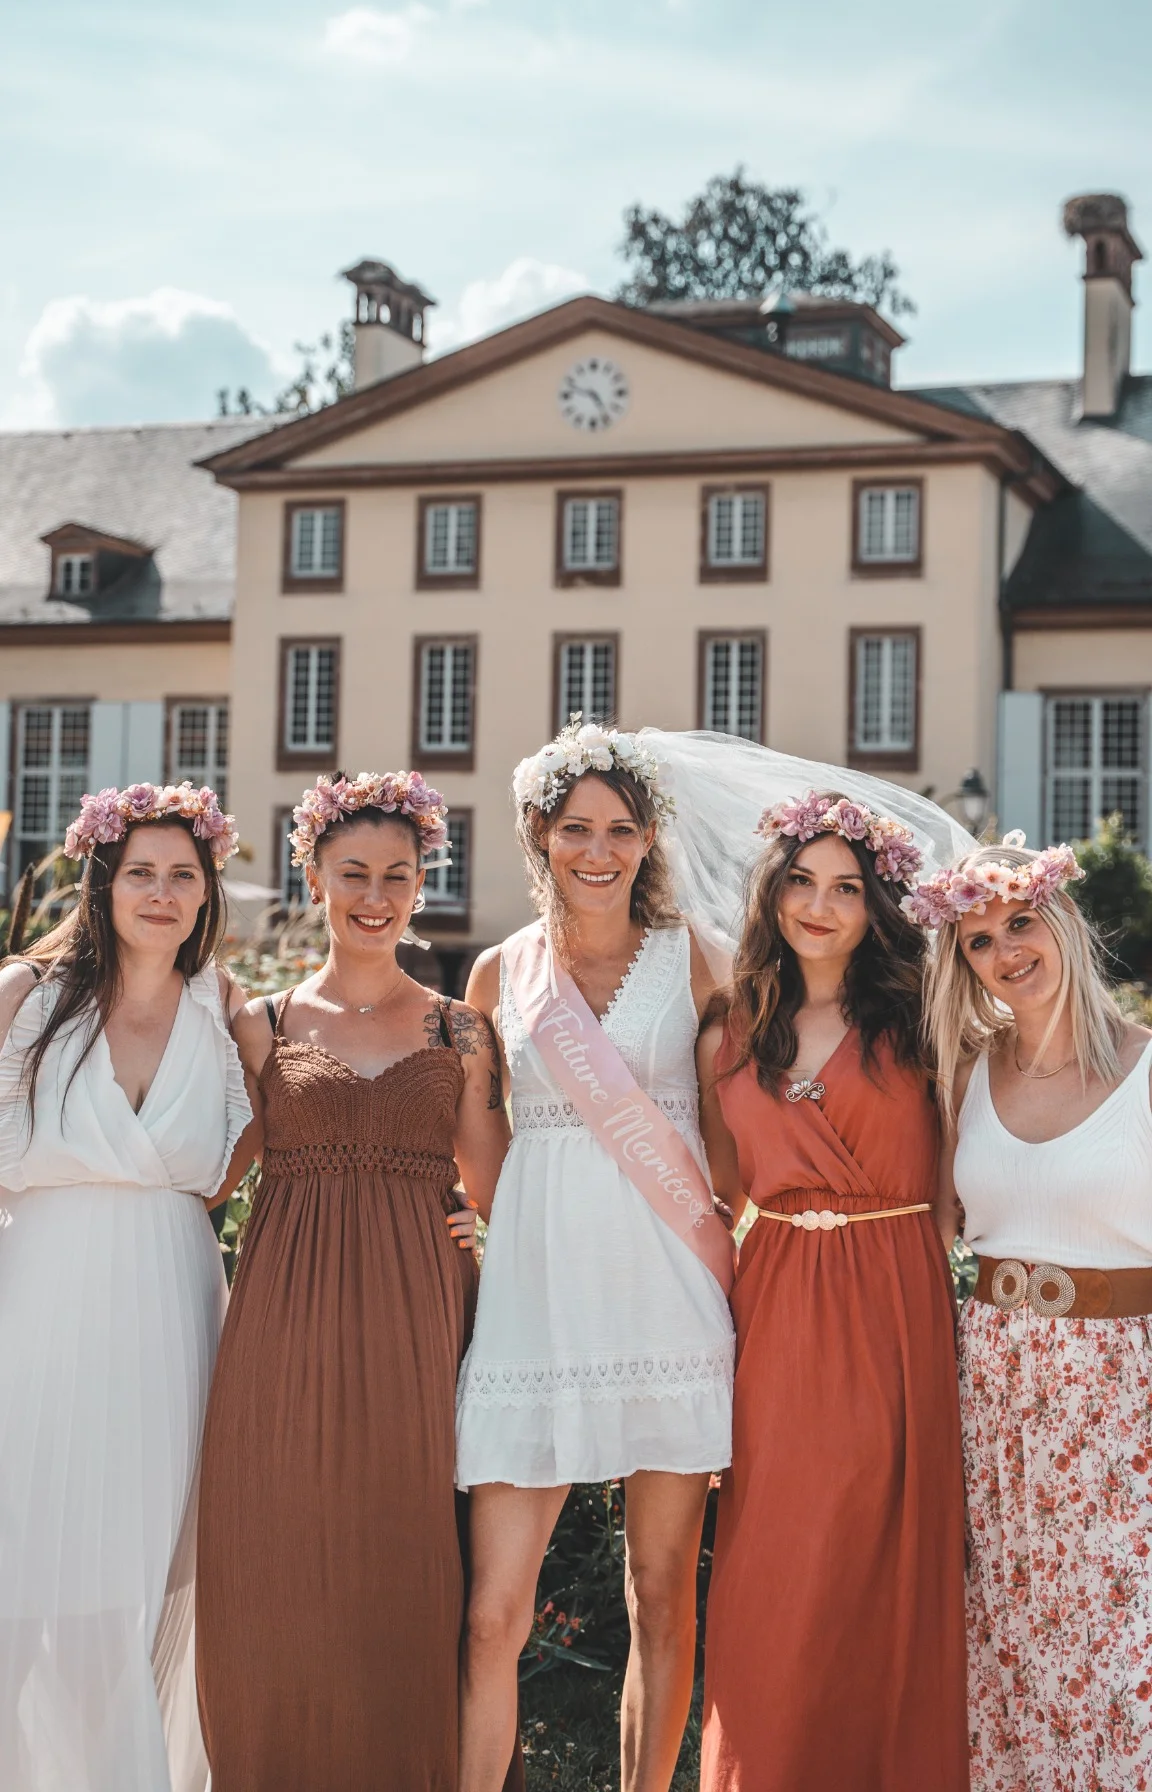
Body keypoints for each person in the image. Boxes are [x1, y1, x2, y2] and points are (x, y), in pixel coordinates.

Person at [195, 770, 515, 1792]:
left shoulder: (460, 1029)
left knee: (405, 1555)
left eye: (399, 873)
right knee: (274, 1550)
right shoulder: (266, 1021)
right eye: (353, 872)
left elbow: (501, 1183)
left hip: (420, 1314)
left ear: (423, 882)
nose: (375, 893)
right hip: (282, 1317)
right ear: (314, 875)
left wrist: (486, 1233)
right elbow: (209, 1172)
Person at [456, 720, 736, 1792]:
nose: (599, 848)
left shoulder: (699, 957)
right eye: (576, 826)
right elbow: (481, 1159)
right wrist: (449, 1214)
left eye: (621, 827)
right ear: (541, 831)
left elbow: (732, 1139)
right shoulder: (496, 973)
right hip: (537, 1308)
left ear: (650, 835)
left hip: (665, 1299)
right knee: (492, 1613)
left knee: (662, 1592)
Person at [698, 791, 969, 1792]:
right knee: (778, 1561)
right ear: (771, 892)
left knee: (882, 1560)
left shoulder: (927, 1016)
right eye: (802, 880)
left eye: (847, 887)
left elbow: (958, 1177)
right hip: (772, 1309)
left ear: (874, 906)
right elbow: (724, 1190)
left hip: (894, 1299)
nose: (820, 904)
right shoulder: (731, 1031)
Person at [0, 781, 250, 1792]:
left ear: (205, 894)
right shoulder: (24, 990)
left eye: (183, 874)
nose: (161, 891)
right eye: (141, 870)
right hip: (42, 1293)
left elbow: (266, 1153)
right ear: (103, 880)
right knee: (29, 1542)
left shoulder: (226, 1008)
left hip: (174, 1299)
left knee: (148, 1559)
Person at [917, 833, 1152, 1792]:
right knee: (1010, 1647)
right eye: (978, 941)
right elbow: (934, 1237)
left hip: (1123, 1397)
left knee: (1119, 1651)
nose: (1006, 951)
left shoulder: (1147, 1067)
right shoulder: (963, 1075)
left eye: (1020, 923)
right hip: (996, 1391)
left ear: (1061, 921)